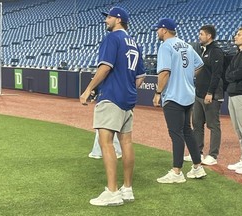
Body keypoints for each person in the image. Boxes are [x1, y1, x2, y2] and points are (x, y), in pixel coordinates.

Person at [80, 6, 145, 206]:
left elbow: (105, 66)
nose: (106, 20)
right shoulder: (135, 43)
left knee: (106, 142)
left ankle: (112, 191)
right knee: (126, 142)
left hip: (112, 97)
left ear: (118, 19)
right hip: (128, 99)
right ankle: (127, 189)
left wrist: (88, 88)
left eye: (108, 17)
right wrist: (126, 88)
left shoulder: (112, 38)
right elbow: (141, 77)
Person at [153, 18, 207, 184]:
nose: (157, 32)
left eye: (158, 29)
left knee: (176, 133)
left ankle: (177, 172)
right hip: (188, 94)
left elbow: (164, 73)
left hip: (173, 95)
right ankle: (197, 167)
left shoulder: (166, 46)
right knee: (187, 131)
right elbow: (199, 65)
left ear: (164, 30)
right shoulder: (187, 45)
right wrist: (187, 77)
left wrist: (158, 92)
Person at [184, 25, 224, 165]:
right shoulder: (202, 50)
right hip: (199, 94)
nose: (199, 36)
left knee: (213, 125)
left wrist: (210, 92)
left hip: (210, 95)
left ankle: (213, 155)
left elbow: (217, 74)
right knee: (197, 124)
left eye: (201, 34)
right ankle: (197, 153)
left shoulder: (216, 51)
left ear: (209, 36)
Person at [225, 26, 242, 175]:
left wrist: (232, 76)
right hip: (233, 94)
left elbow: (240, 73)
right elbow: (228, 73)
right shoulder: (237, 55)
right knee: (239, 131)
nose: (235, 37)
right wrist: (232, 76)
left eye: (239, 34)